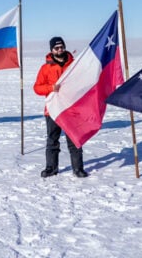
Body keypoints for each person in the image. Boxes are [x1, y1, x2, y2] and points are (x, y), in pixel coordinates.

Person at [33, 36, 88, 178]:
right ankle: (51, 168)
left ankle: (78, 168)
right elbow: (37, 88)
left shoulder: (74, 65)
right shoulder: (45, 68)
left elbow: (82, 82)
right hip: (53, 110)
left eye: (61, 47)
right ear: (51, 50)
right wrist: (51, 88)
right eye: (56, 48)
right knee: (52, 139)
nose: (60, 50)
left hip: (71, 108)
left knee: (74, 138)